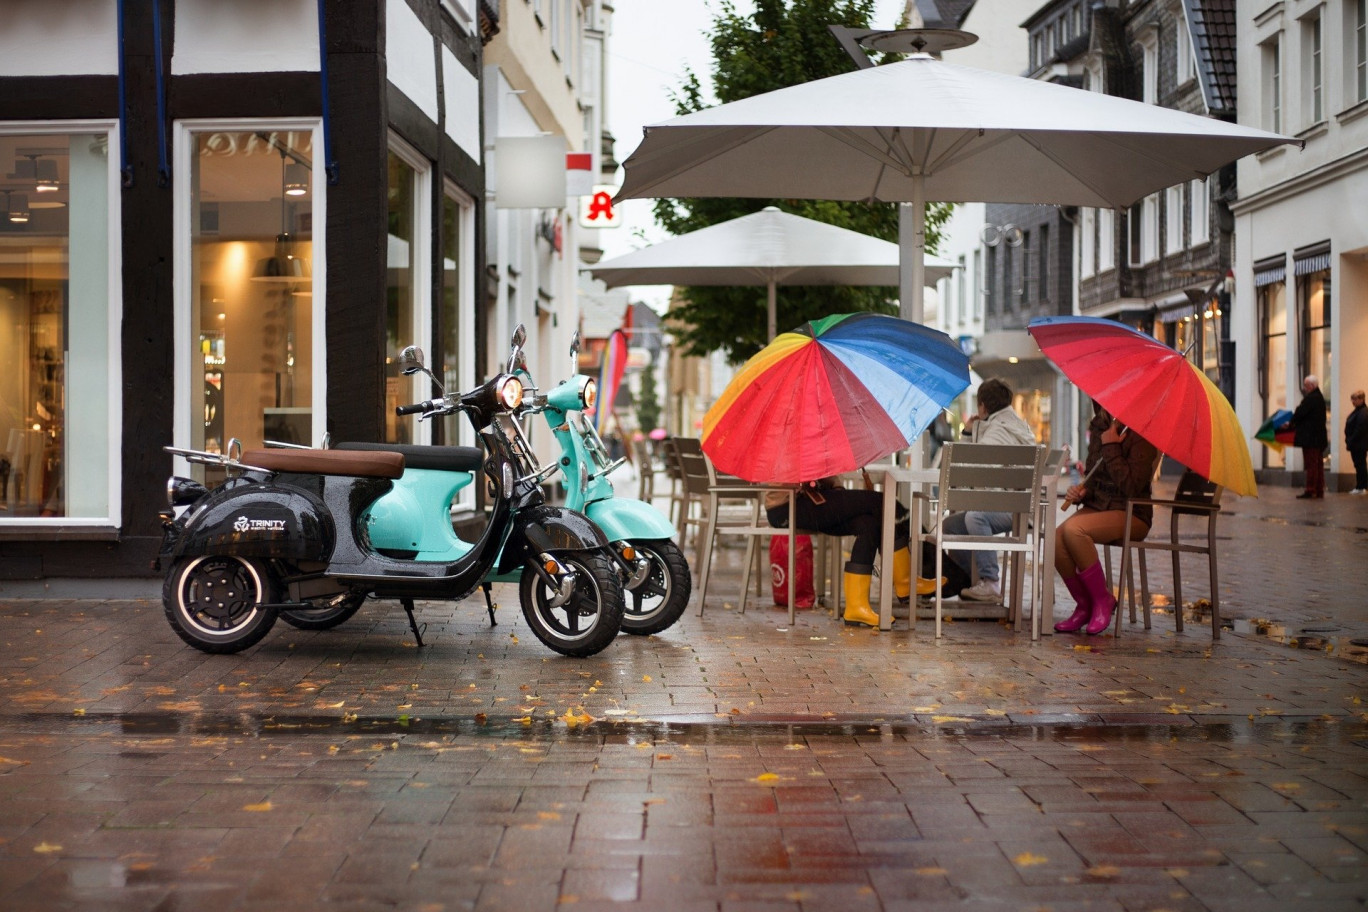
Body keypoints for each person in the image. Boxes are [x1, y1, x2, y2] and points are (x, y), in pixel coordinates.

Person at [765, 480, 934, 628]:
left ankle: (857, 608)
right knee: (882, 502)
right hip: (788, 506)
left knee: (869, 524)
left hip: (813, 499)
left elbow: (826, 479)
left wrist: (836, 488)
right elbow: (805, 474)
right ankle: (907, 579)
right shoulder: (790, 445)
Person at [1053, 402, 1160, 635]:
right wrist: (1084, 491)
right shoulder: (1101, 424)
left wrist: (1111, 446)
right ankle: (1084, 606)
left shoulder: (1143, 432)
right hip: (1099, 507)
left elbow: (1131, 487)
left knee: (1075, 530)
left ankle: (1103, 599)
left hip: (1133, 513)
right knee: (1056, 539)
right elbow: (1094, 474)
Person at [945, 378, 1037, 602]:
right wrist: (972, 432)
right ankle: (969, 581)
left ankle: (990, 581)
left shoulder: (996, 431)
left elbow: (969, 469)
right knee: (950, 526)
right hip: (1021, 506)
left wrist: (968, 435)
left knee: (975, 518)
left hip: (1012, 509)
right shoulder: (1017, 425)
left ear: (983, 406)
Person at [1286, 375, 1328, 499]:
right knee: (1318, 465)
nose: (1304, 388)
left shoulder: (1311, 398)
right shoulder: (1319, 398)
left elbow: (1300, 413)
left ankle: (1311, 489)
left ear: (1312, 386)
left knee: (1311, 465)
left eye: (1306, 385)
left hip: (1311, 439)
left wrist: (1290, 422)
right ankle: (1319, 489)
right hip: (1318, 438)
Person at [1347, 390, 1368, 495]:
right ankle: (1360, 485)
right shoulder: (1358, 411)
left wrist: (1351, 439)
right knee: (1359, 465)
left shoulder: (1363, 412)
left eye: (1355, 399)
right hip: (1356, 443)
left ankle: (1362, 486)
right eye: (1352, 399)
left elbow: (1360, 429)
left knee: (1360, 465)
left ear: (1361, 399)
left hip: (1359, 444)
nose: (1353, 402)